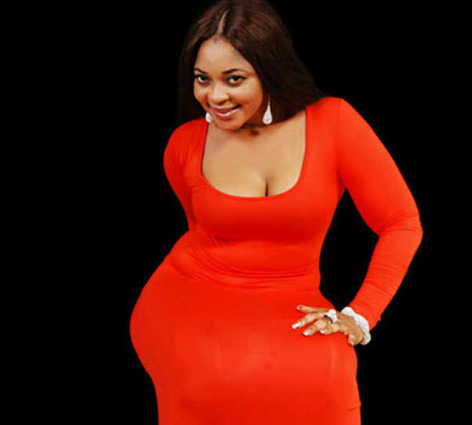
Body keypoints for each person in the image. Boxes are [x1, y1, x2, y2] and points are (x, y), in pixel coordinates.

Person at [129, 0, 423, 424]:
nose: (215, 96)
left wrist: (360, 314)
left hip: (292, 302)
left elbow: (401, 223)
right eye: (202, 79)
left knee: (327, 383)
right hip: (186, 301)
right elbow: (200, 231)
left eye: (234, 79)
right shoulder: (185, 143)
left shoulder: (334, 122)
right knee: (209, 384)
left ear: (270, 70)